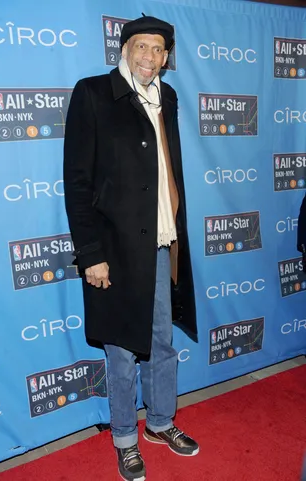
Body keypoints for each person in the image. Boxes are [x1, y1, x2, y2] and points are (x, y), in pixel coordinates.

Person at [63, 15, 199, 481]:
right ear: (124, 48)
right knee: (121, 350)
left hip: (161, 243)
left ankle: (161, 422)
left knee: (162, 342)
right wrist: (90, 252)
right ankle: (125, 437)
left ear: (166, 56)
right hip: (115, 250)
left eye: (158, 49)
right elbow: (78, 183)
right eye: (141, 46)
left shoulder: (169, 96)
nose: (149, 56)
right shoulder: (94, 93)